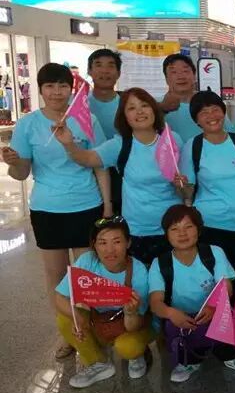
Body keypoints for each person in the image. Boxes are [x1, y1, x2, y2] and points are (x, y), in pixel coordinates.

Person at [3, 63, 110, 361]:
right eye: (49, 86)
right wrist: (13, 162)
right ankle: (67, 332)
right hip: (47, 208)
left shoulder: (86, 119)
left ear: (71, 89)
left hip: (86, 204)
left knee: (85, 273)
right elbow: (22, 173)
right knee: (56, 275)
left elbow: (100, 163)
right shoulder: (28, 124)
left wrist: (108, 205)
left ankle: (91, 329)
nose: (56, 92)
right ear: (40, 89)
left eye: (62, 85)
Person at [55, 88, 183, 266]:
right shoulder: (120, 144)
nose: (139, 111)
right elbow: (87, 159)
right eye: (131, 108)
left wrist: (183, 186)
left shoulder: (172, 139)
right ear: (125, 116)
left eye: (144, 105)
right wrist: (69, 144)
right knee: (139, 280)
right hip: (137, 231)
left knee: (171, 280)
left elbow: (185, 184)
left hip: (174, 229)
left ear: (154, 110)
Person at [148, 205, 235, 383]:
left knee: (227, 315)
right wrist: (171, 313)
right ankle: (188, 362)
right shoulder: (160, 263)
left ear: (199, 230)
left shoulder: (214, 252)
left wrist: (214, 306)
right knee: (172, 326)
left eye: (188, 227)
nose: (182, 234)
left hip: (213, 311)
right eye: (174, 229)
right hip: (183, 317)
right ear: (166, 234)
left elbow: (226, 286)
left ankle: (229, 355)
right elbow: (155, 302)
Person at [53, 216, 153, 388]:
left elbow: (136, 324)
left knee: (129, 347)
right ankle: (99, 363)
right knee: (65, 320)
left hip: (130, 324)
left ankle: (137, 356)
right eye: (102, 243)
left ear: (128, 243)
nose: (110, 250)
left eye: (117, 241)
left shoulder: (138, 270)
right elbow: (60, 297)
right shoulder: (87, 261)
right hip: (100, 320)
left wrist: (131, 312)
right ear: (94, 245)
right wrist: (78, 319)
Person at [178, 90, 235, 278]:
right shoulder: (193, 147)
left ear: (223, 112)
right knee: (216, 280)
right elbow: (188, 192)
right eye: (204, 113)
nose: (211, 116)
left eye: (215, 109)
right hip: (209, 226)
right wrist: (181, 185)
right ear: (196, 120)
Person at [159, 54, 231, 141]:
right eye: (174, 72)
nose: (181, 76)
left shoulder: (210, 102)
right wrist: (162, 109)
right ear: (166, 78)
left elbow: (229, 134)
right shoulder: (155, 105)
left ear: (194, 75)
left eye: (185, 71)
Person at [87, 49, 123, 140]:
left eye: (111, 66)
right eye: (98, 65)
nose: (104, 71)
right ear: (89, 71)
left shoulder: (127, 106)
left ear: (119, 73)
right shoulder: (79, 104)